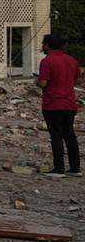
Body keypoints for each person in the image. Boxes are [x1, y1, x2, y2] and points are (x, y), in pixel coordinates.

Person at [35, 34, 81, 176]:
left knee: (56, 136)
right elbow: (78, 80)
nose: (42, 46)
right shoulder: (71, 60)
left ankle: (59, 168)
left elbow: (43, 83)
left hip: (53, 104)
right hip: (69, 103)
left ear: (48, 45)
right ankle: (75, 168)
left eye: (43, 43)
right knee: (70, 135)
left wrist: (36, 81)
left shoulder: (47, 61)